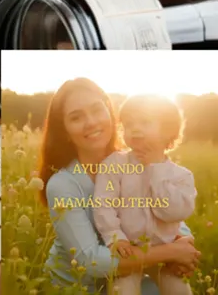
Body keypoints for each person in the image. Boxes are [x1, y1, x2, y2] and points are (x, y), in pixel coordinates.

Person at [39, 78, 200, 292]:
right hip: (79, 286)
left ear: (110, 113)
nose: (91, 122)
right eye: (76, 117)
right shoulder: (62, 184)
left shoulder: (136, 161)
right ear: (65, 132)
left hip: (131, 271)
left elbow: (161, 209)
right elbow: (90, 261)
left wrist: (183, 240)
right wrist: (171, 252)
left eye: (97, 110)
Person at [93, 94, 196, 295]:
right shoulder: (114, 165)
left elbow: (173, 213)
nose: (135, 129)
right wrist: (115, 238)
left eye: (145, 122)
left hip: (165, 255)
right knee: (122, 291)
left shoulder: (181, 176)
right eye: (129, 124)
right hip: (129, 251)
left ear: (167, 131)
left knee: (179, 290)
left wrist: (155, 168)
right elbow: (103, 205)